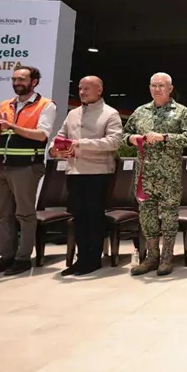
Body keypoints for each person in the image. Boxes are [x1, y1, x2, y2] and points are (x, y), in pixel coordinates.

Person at [0, 66, 57, 276]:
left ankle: (23, 258)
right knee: (3, 214)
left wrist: (11, 126)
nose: (17, 83)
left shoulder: (45, 105)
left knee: (24, 213)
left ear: (34, 82)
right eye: (14, 79)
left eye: (22, 79)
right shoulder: (6, 104)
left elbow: (42, 135)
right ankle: (6, 257)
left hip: (26, 166)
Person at [122, 72, 187, 276]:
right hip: (145, 175)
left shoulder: (181, 112)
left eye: (161, 86)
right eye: (153, 85)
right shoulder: (140, 112)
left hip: (169, 175)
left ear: (170, 89)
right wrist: (132, 139)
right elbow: (123, 135)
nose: (157, 89)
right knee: (147, 216)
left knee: (169, 216)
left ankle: (167, 257)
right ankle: (151, 257)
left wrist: (165, 137)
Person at [49, 76, 123, 276]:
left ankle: (93, 259)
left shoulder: (110, 113)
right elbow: (60, 136)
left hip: (98, 172)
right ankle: (81, 258)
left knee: (94, 216)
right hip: (74, 172)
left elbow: (114, 142)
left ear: (99, 90)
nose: (82, 92)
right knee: (79, 217)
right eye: (80, 88)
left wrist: (81, 144)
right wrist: (53, 149)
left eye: (87, 89)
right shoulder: (73, 114)